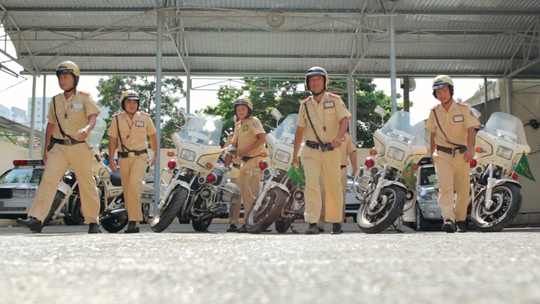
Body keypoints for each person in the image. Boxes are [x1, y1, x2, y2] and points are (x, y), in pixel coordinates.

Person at [17, 61, 101, 234]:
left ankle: (93, 221)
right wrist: (46, 148)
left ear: (75, 79)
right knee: (48, 180)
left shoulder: (85, 97)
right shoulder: (55, 101)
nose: (62, 80)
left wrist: (86, 129)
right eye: (60, 77)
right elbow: (51, 124)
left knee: (87, 184)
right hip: (59, 147)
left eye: (66, 77)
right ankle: (36, 219)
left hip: (80, 147)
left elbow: (92, 116)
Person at [292, 66, 351, 235]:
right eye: (312, 80)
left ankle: (336, 222)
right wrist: (295, 155)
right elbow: (300, 130)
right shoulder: (304, 105)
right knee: (311, 185)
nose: (315, 82)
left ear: (325, 81)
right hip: (310, 151)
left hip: (331, 150)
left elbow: (344, 121)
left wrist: (339, 137)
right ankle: (312, 222)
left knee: (334, 186)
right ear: (307, 83)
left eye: (318, 79)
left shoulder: (335, 100)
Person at [426, 75, 479, 233]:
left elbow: (471, 129)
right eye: (438, 92)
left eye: (444, 91)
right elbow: (433, 134)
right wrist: (432, 154)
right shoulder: (434, 112)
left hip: (462, 154)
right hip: (442, 154)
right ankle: (448, 219)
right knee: (445, 187)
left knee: (463, 188)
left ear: (451, 91)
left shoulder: (464, 109)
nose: (441, 95)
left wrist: (470, 150)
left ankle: (461, 219)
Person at [107, 90, 158, 233]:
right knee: (128, 189)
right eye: (128, 102)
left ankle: (133, 220)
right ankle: (134, 223)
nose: (132, 105)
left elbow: (153, 136)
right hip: (123, 158)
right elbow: (112, 140)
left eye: (134, 102)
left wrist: (155, 153)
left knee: (135, 184)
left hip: (140, 156)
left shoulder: (145, 118)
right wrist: (111, 158)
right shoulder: (117, 119)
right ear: (123, 104)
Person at [224, 97, 266, 233]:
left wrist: (244, 151)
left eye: (243, 109)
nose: (240, 111)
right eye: (238, 109)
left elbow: (262, 139)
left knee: (250, 194)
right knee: (240, 194)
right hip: (243, 163)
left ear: (249, 110)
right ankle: (247, 223)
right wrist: (225, 150)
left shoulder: (254, 122)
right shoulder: (238, 125)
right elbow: (234, 143)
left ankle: (249, 223)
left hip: (254, 160)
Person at [317, 132, 357, 232]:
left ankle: (337, 224)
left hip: (341, 169)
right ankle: (319, 224)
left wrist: (355, 169)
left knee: (339, 197)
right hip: (325, 169)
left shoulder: (347, 136)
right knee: (322, 195)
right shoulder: (325, 133)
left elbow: (351, 153)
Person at [223, 129, 242, 232]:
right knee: (235, 196)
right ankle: (233, 223)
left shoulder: (254, 134)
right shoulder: (232, 136)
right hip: (236, 167)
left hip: (251, 166)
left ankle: (252, 222)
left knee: (252, 196)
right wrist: (226, 169)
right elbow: (228, 153)